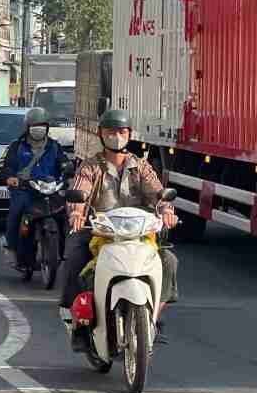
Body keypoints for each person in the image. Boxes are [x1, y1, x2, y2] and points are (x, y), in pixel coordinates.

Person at [59, 109, 178, 350]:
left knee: (168, 261)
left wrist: (167, 210)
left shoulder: (141, 166)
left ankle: (154, 318)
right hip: (100, 233)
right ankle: (79, 324)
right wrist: (77, 213)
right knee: (75, 259)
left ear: (129, 134)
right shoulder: (91, 166)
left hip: (139, 234)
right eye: (110, 131)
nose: (116, 136)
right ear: (101, 134)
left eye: (121, 131)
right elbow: (80, 192)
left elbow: (158, 193)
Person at [0, 108, 64, 270]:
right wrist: (10, 177)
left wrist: (67, 173)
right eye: (35, 126)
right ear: (27, 127)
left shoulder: (54, 146)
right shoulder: (16, 146)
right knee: (16, 212)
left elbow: (64, 164)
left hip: (49, 189)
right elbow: (5, 166)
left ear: (47, 127)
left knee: (64, 215)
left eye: (42, 125)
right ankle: (12, 246)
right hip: (24, 189)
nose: (38, 129)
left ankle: (63, 253)